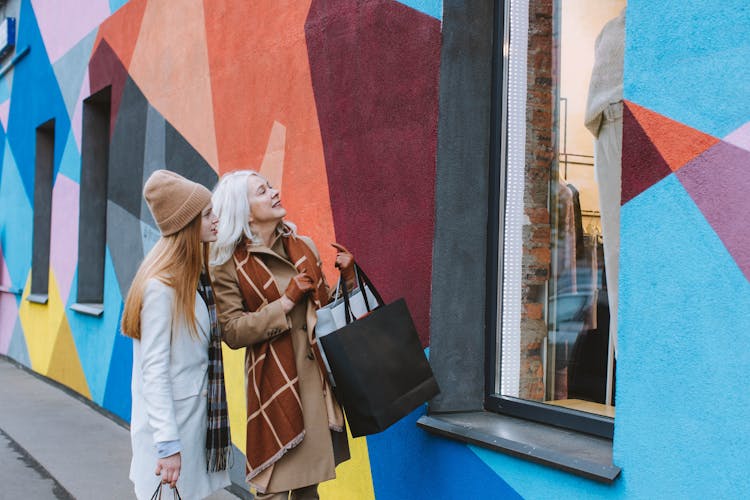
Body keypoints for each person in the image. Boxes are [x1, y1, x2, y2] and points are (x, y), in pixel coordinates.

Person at [210, 170, 353, 499]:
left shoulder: (304, 247)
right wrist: (285, 301)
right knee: (273, 489)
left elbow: (325, 312)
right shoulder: (228, 264)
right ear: (244, 211)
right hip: (274, 385)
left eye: (271, 187)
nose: (274, 193)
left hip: (316, 382)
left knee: (307, 487)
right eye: (262, 191)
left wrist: (347, 281)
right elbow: (231, 331)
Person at [122, 170, 231, 499]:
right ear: (187, 224)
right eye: (208, 214)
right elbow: (152, 371)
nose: (216, 219)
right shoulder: (161, 287)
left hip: (191, 424)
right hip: (171, 433)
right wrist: (167, 445)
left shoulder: (193, 279)